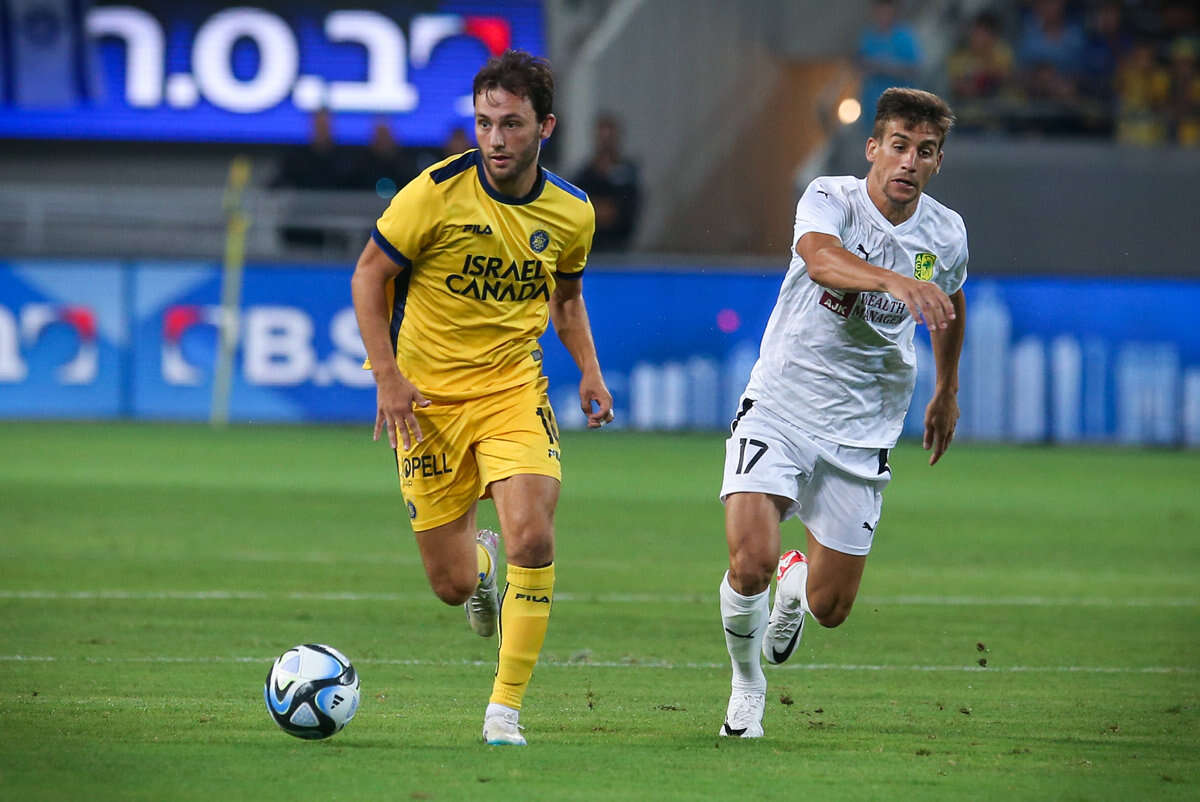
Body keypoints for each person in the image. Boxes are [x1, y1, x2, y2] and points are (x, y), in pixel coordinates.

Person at [350, 49, 614, 746]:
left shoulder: (571, 212)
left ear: (545, 127)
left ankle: (504, 712)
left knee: (534, 534)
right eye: (484, 123)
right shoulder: (434, 193)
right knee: (452, 584)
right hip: (428, 405)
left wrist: (589, 370)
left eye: (512, 124)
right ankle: (483, 568)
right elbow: (369, 276)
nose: (495, 140)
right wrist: (388, 378)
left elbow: (565, 299)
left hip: (512, 390)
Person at [716, 87, 968, 738]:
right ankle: (746, 686)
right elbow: (820, 259)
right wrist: (893, 279)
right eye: (899, 146)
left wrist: (946, 388)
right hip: (782, 402)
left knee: (829, 608)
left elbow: (950, 299)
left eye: (926, 151)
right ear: (873, 148)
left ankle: (797, 584)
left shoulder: (945, 233)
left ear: (938, 162)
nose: (910, 161)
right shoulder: (831, 197)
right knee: (749, 559)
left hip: (863, 427)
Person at [572, 113, 641, 251]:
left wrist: (602, 210)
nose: (605, 143)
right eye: (602, 137)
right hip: (590, 247)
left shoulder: (628, 173)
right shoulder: (584, 174)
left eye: (609, 137)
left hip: (619, 247)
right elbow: (577, 210)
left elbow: (627, 211)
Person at [856, 0, 923, 133]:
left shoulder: (905, 37)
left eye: (886, 11)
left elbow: (915, 68)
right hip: (873, 108)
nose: (883, 16)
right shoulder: (868, 37)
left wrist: (887, 67)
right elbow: (859, 64)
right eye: (879, 11)